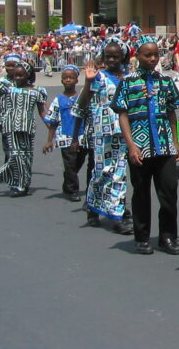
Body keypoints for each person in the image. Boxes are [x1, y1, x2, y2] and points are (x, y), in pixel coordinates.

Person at [112, 36, 179, 255]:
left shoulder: (166, 81)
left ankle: (167, 237)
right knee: (141, 193)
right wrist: (131, 145)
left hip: (164, 146)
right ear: (138, 56)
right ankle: (142, 238)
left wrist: (175, 141)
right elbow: (123, 115)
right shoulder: (127, 82)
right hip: (140, 147)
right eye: (147, 55)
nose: (152, 59)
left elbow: (172, 112)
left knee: (169, 192)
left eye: (155, 55)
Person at [76, 38, 133, 232]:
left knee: (119, 174)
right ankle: (93, 207)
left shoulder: (129, 78)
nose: (111, 59)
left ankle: (117, 215)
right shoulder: (98, 77)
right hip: (102, 131)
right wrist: (88, 82)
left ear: (122, 57)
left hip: (123, 132)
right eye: (108, 56)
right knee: (101, 173)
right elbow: (82, 104)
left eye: (115, 56)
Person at [42, 64, 93, 201]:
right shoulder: (58, 100)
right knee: (70, 164)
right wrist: (49, 141)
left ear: (77, 80)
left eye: (71, 77)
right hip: (65, 137)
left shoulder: (82, 97)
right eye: (65, 78)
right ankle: (72, 191)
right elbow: (52, 122)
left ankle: (68, 183)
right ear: (62, 80)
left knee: (77, 163)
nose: (68, 80)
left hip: (83, 137)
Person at [0, 60, 46, 196]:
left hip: (27, 127)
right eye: (15, 76)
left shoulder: (37, 91)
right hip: (10, 126)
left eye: (20, 75)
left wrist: (52, 128)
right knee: (15, 156)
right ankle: (16, 184)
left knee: (27, 156)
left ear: (28, 75)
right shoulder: (7, 87)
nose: (17, 78)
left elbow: (43, 111)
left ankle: (24, 184)